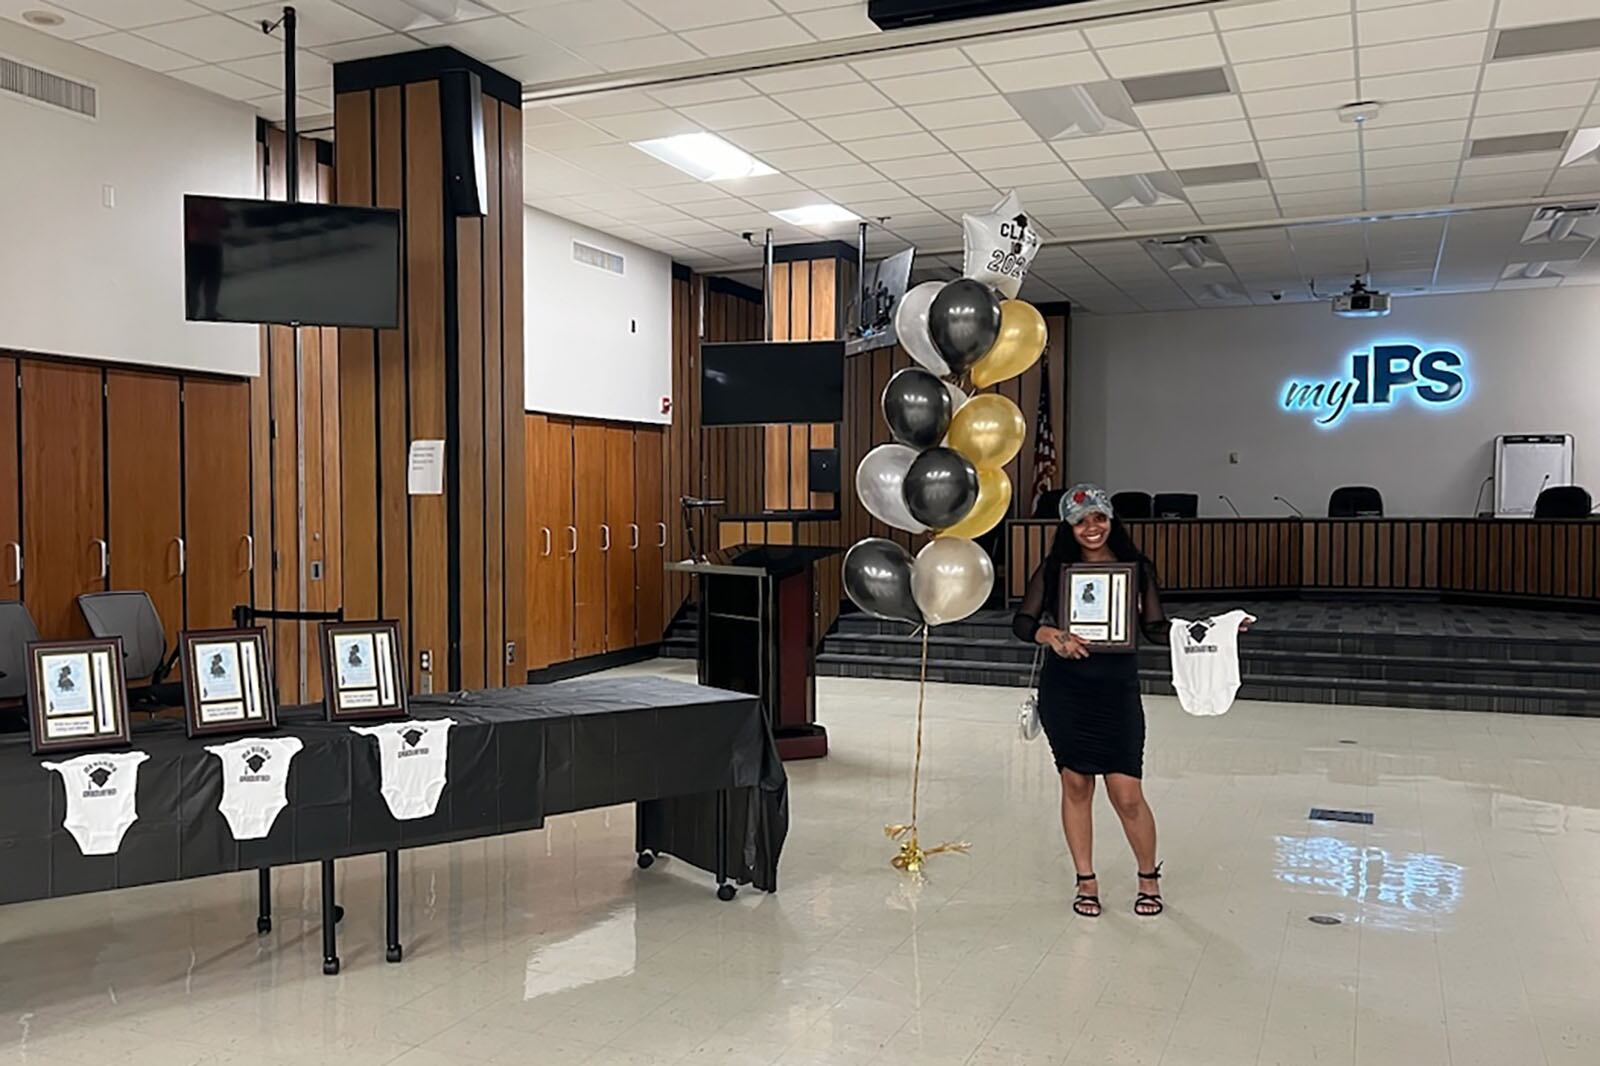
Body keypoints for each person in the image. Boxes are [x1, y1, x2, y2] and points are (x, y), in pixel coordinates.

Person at [1013, 484, 1170, 918]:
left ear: (1111, 519)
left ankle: (1148, 877)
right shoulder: (1056, 569)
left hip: (1116, 691)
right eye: (1080, 521)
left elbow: (1155, 627)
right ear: (1068, 527)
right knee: (1076, 784)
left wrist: (1210, 630)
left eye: (1099, 517)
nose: (1091, 528)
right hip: (1066, 690)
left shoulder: (1136, 568)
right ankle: (1086, 880)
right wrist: (1050, 634)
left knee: (1127, 793)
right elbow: (1022, 622)